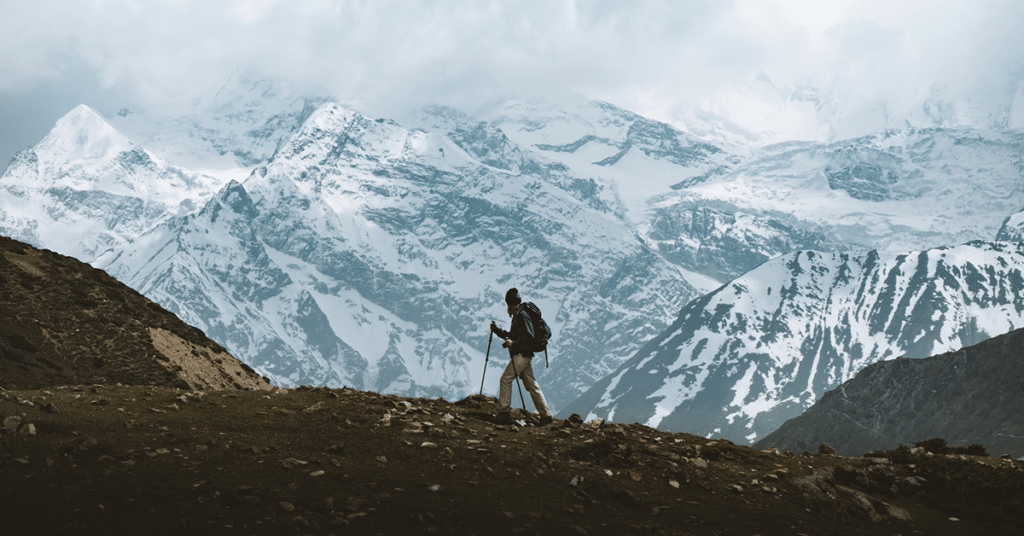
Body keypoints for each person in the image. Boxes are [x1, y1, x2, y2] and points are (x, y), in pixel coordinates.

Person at [490, 288, 554, 425]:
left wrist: (513, 344)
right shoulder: (519, 315)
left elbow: (528, 337)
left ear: (513, 305)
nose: (507, 308)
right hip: (524, 355)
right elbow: (513, 335)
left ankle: (504, 412)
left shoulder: (522, 315)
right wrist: (496, 331)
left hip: (522, 355)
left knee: (505, 379)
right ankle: (546, 415)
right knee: (531, 385)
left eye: (508, 305)